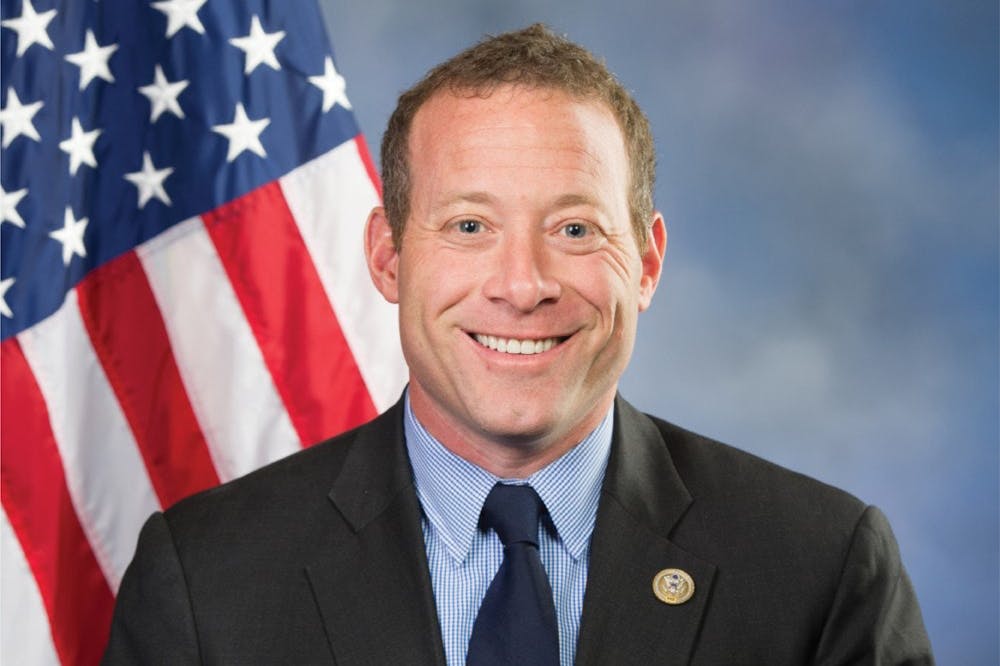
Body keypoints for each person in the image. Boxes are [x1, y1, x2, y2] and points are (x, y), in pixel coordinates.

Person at [103, 24, 933, 665]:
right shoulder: (206, 581)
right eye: (470, 226)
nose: (523, 284)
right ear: (388, 257)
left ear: (646, 263)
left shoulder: (818, 568)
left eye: (574, 229)